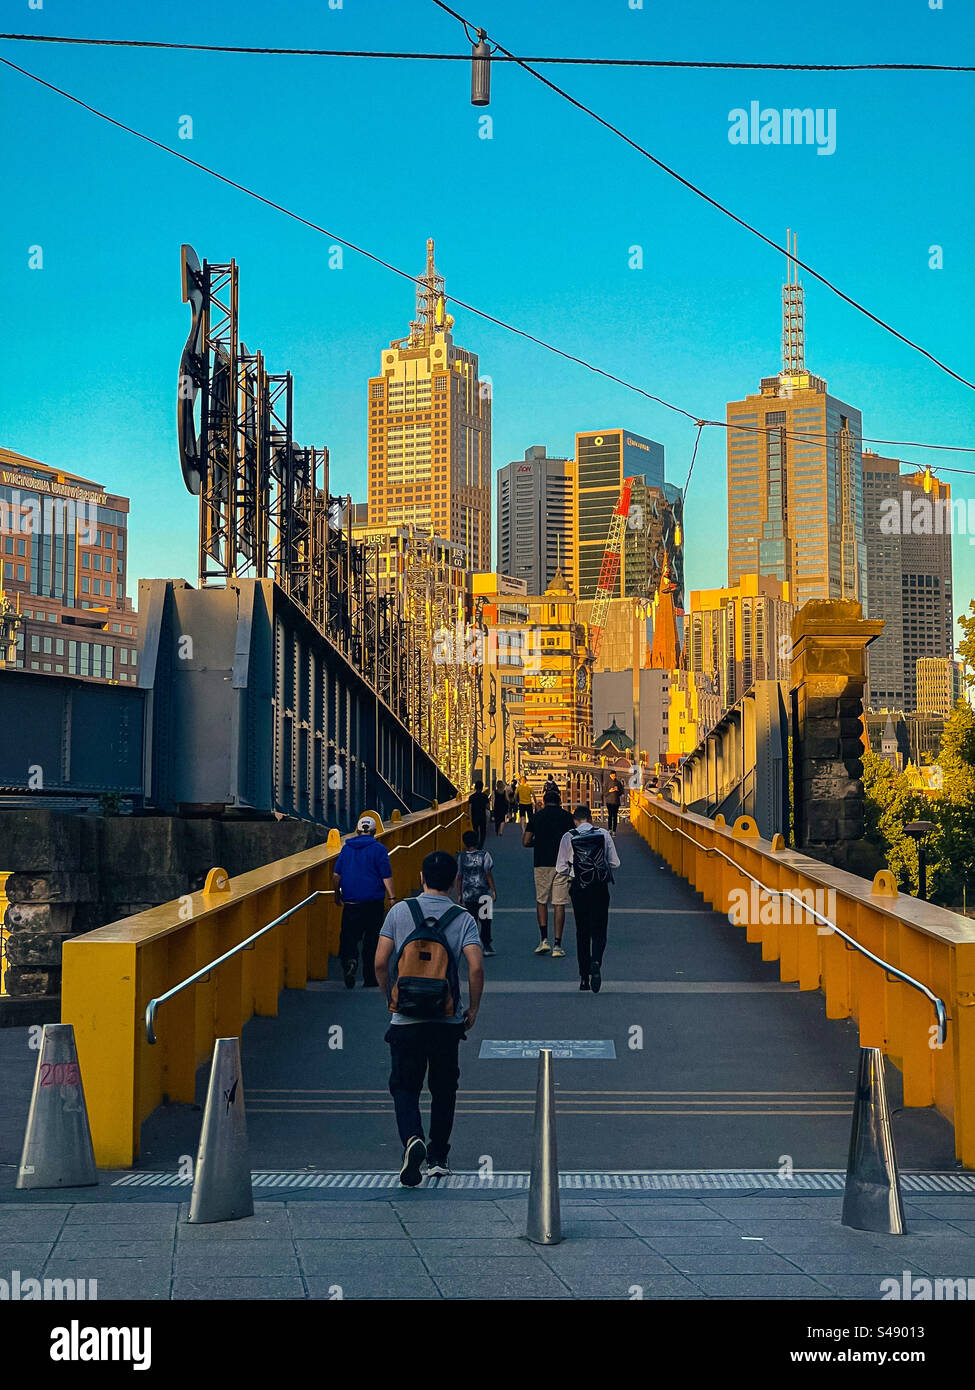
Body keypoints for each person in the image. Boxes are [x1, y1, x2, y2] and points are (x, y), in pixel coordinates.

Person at [374, 850, 484, 1185]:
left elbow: (380, 962)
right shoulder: (463, 918)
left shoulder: (399, 911)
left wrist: (390, 996)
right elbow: (476, 967)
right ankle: (438, 1157)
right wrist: (474, 1008)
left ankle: (412, 1139)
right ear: (455, 881)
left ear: (421, 877)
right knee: (444, 1088)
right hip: (446, 1019)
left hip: (405, 1020)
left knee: (404, 1087)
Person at [556, 804, 621, 993]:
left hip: (579, 887)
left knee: (582, 932)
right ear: (591, 818)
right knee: (600, 929)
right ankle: (596, 962)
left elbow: (561, 867)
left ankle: (584, 978)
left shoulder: (568, 836)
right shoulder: (603, 834)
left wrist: (572, 869)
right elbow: (615, 862)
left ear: (575, 821)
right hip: (599, 888)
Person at [333, 815, 395, 989]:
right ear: (374, 832)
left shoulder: (346, 849)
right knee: (372, 940)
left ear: (357, 831)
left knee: (349, 937)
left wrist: (337, 895)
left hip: (351, 903)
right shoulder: (380, 849)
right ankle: (370, 978)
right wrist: (392, 897)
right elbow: (386, 876)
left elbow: (336, 876)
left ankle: (350, 961)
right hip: (373, 902)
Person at [523, 790, 574, 957]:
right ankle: (557, 945)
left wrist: (538, 844)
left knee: (541, 900)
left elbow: (526, 841)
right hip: (562, 864)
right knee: (559, 903)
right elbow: (574, 840)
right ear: (559, 802)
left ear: (544, 802)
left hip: (541, 862)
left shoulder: (537, 816)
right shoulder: (567, 817)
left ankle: (543, 940)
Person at [455, 830, 497, 956]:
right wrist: (493, 890)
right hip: (483, 893)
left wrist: (460, 894)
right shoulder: (485, 855)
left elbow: (459, 877)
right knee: (486, 920)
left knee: (472, 920)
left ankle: (470, 944)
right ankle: (487, 945)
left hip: (468, 894)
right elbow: (488, 874)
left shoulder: (461, 857)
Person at [468, 779, 490, 849]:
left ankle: (476, 843)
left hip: (474, 816)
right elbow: (488, 807)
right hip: (482, 816)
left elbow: (470, 808)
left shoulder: (471, 797)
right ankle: (481, 845)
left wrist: (469, 817)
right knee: (483, 831)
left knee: (475, 830)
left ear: (475, 787)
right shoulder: (485, 796)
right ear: (482, 787)